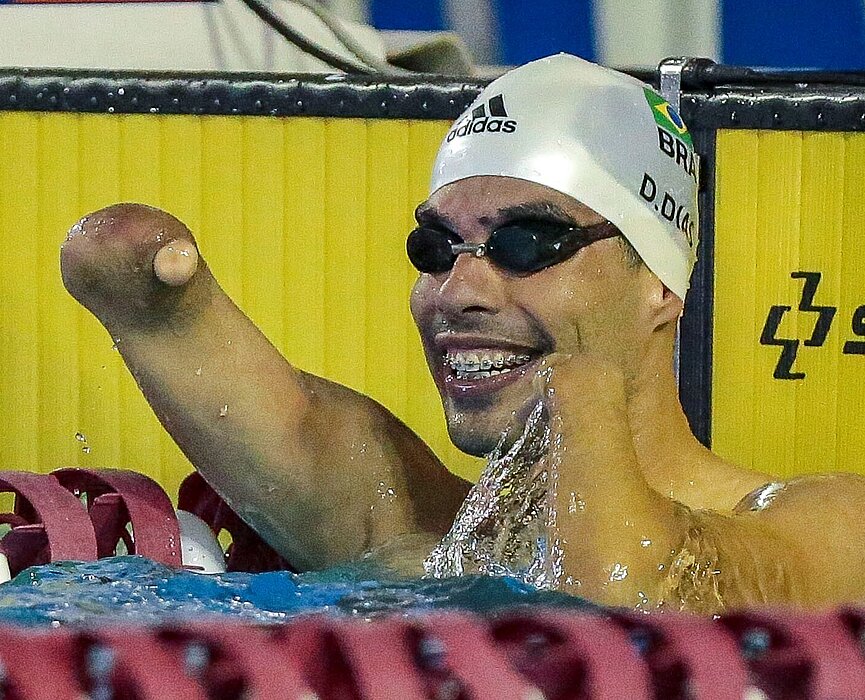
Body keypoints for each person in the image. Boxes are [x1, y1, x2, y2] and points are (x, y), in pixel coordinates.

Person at [60, 54, 865, 613]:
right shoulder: (422, 537)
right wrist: (149, 286)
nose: (459, 289)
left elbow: (629, 595)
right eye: (435, 249)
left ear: (656, 282)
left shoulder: (828, 524)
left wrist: (578, 394)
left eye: (527, 244)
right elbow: (300, 431)